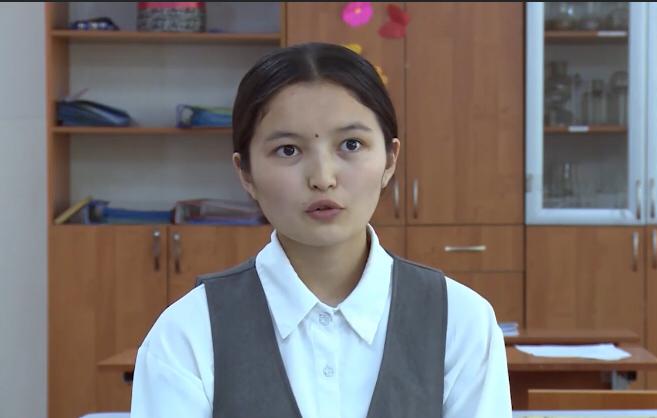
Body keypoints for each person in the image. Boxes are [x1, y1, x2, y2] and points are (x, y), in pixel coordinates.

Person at [130, 42, 512, 417]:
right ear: (245, 173)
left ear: (389, 160)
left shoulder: (461, 321)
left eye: (351, 144)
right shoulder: (188, 333)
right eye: (288, 150)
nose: (323, 178)